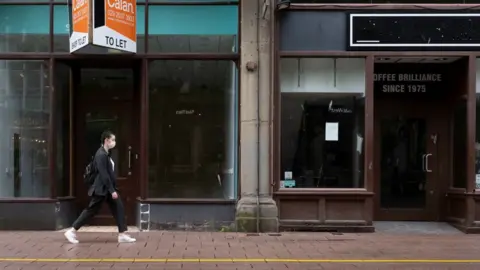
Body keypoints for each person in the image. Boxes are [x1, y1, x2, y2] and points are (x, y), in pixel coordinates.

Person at [64, 130, 136, 244]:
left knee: (119, 207)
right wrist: (112, 190)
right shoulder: (101, 154)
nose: (114, 142)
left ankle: (122, 234)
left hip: (106, 189)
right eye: (113, 140)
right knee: (91, 210)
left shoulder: (105, 154)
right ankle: (72, 231)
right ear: (106, 141)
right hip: (102, 190)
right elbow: (104, 174)